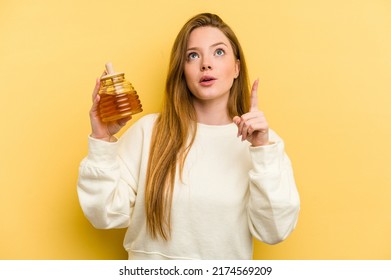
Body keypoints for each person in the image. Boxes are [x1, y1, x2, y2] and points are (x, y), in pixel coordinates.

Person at [77, 13, 300, 260]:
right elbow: (104, 214)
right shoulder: (149, 131)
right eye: (193, 55)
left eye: (218, 52)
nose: (205, 64)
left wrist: (262, 151)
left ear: (236, 67)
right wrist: (102, 140)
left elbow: (274, 231)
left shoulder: (263, 143)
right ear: (182, 70)